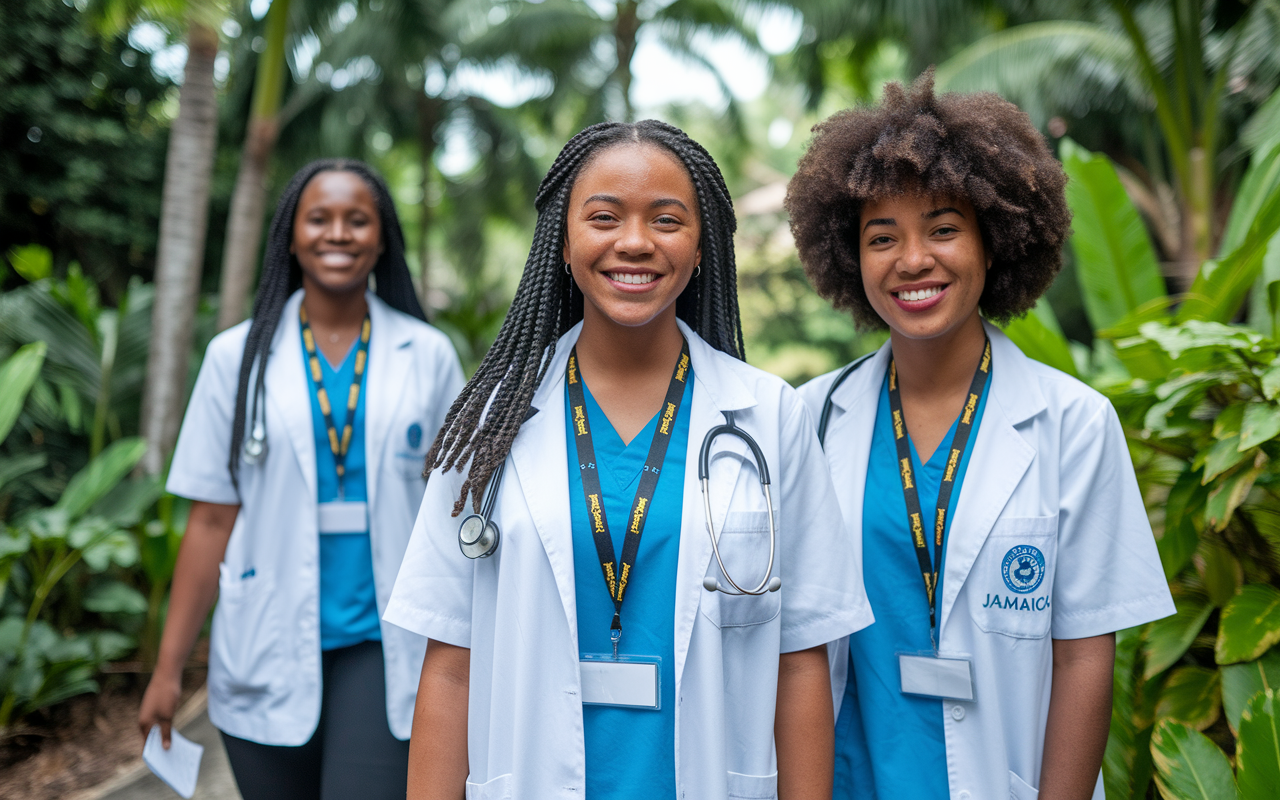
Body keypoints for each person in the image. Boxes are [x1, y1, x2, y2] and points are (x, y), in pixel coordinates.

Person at [384, 120, 872, 800]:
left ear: (701, 246)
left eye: (666, 219)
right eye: (604, 217)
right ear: (562, 241)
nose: (635, 242)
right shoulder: (487, 423)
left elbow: (800, 659)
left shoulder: (770, 417)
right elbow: (449, 664)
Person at [787, 72, 1175, 800]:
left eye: (943, 229)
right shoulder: (808, 419)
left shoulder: (1074, 424)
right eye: (882, 237)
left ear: (993, 243)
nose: (912, 261)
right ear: (849, 257)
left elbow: (1085, 657)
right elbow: (795, 646)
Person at [138, 159, 464, 799]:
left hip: (383, 637)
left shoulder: (427, 355)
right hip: (267, 633)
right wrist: (168, 670)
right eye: (319, 219)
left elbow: (458, 508)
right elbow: (210, 519)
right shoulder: (235, 358)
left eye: (357, 220)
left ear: (381, 238)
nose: (337, 234)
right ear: (292, 234)